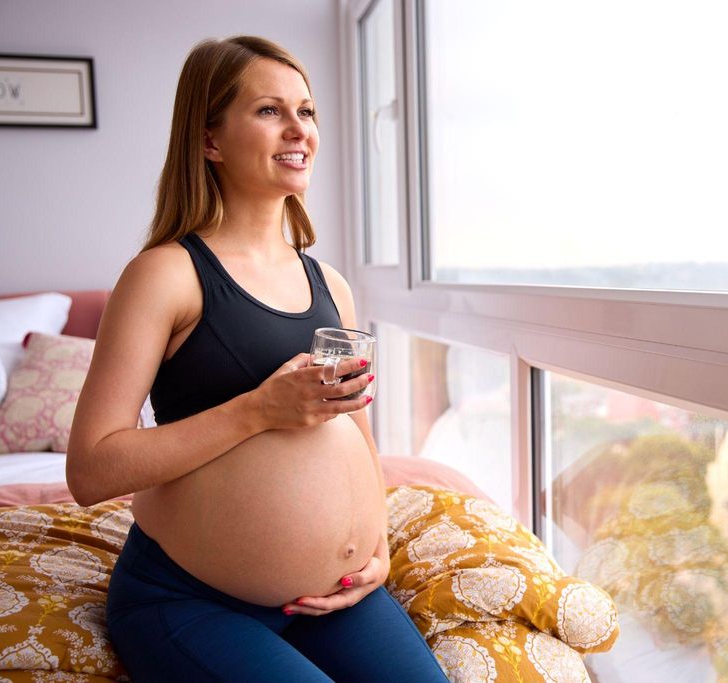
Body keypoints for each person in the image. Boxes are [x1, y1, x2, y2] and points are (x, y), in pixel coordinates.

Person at [67, 36, 448, 682]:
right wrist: (257, 411)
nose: (299, 128)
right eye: (270, 110)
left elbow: (356, 430)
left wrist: (376, 541)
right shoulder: (166, 275)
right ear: (210, 139)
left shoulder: (333, 285)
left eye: (308, 111)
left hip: (332, 599)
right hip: (189, 599)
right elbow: (90, 467)